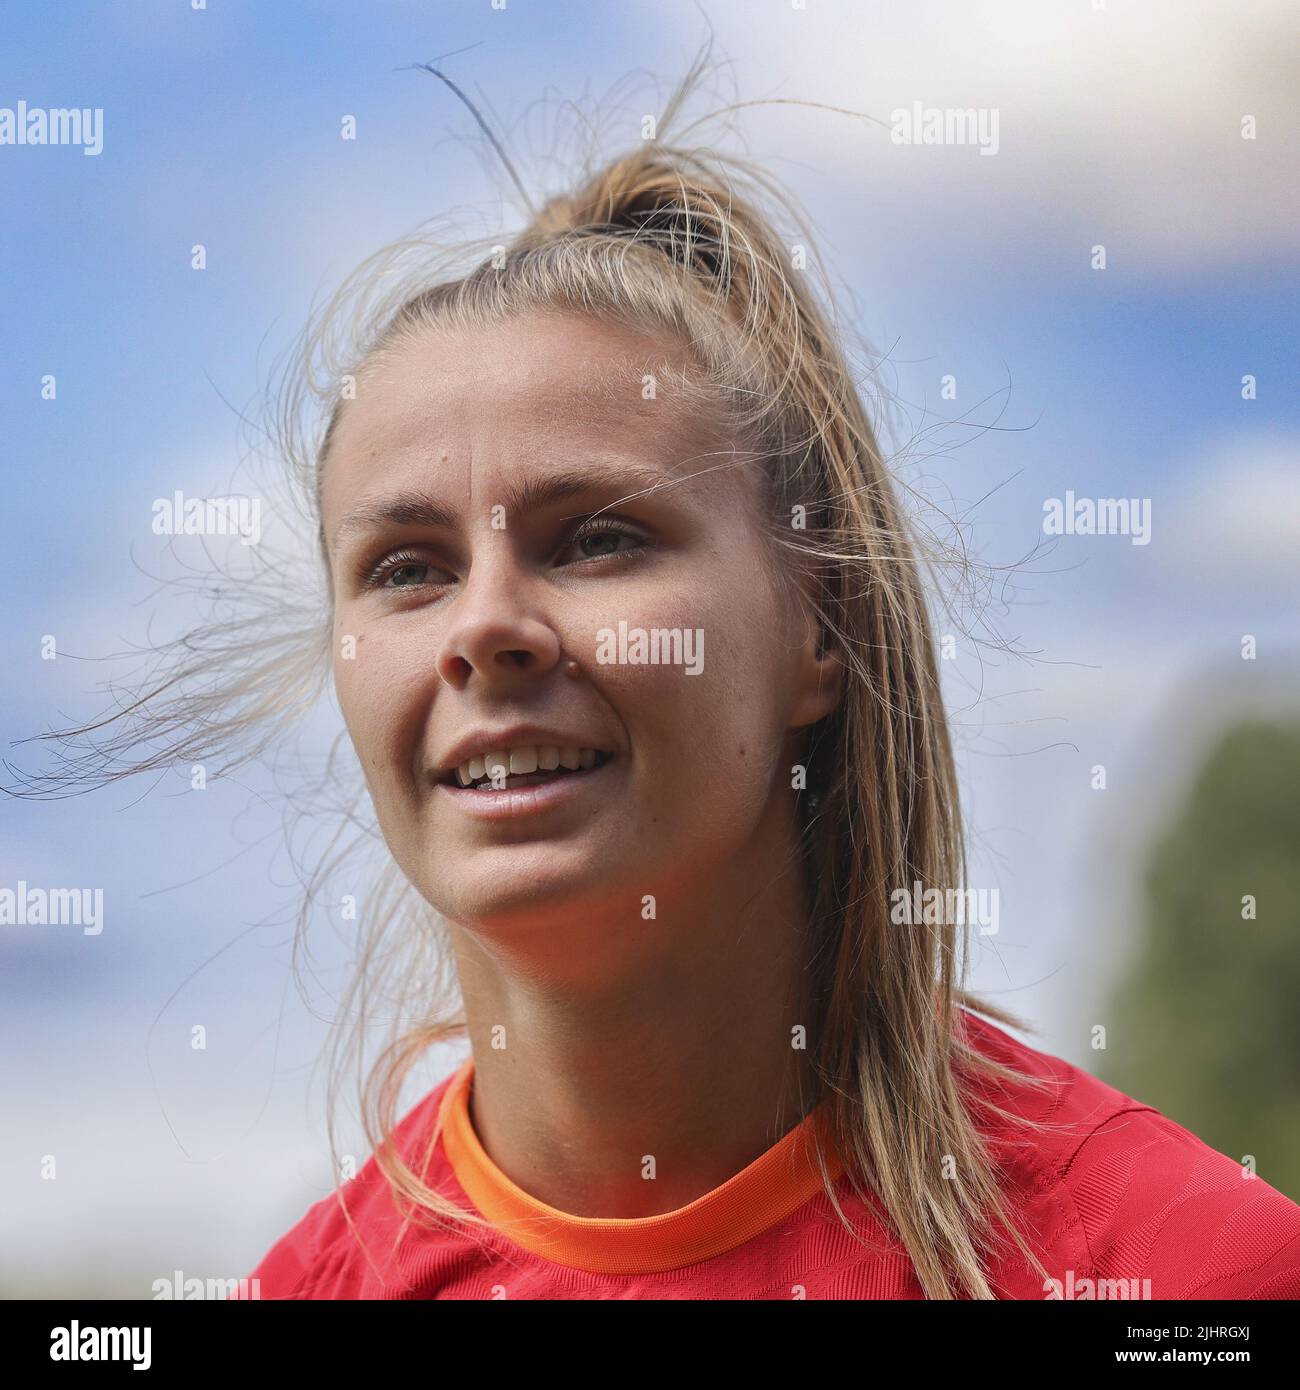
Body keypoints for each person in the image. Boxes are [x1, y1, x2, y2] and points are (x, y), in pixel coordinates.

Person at [25, 55, 1300, 1300]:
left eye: (598, 538)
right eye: (407, 567)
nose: (486, 626)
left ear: (821, 628)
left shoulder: (1181, 1272)